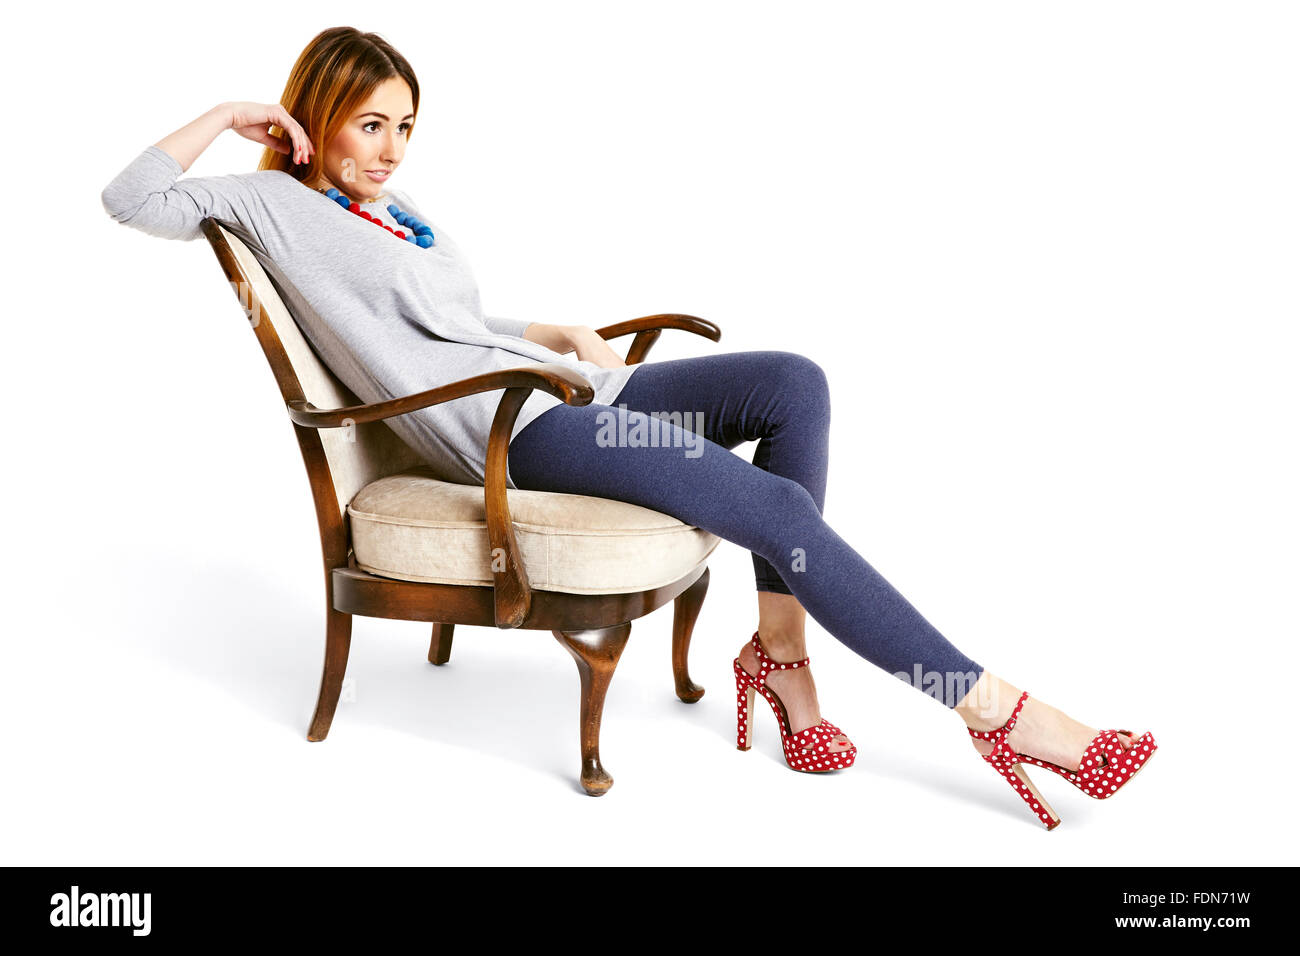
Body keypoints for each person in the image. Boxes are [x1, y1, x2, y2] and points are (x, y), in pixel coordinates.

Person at [101, 26, 1156, 827]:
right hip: (516, 434)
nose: (391, 145)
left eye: (405, 124)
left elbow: (447, 325)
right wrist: (230, 113)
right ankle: (993, 709)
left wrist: (547, 327)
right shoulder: (269, 203)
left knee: (792, 383)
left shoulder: (394, 207)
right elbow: (129, 195)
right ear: (314, 115)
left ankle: (779, 658)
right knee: (773, 506)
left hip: (553, 385)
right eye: (369, 122)